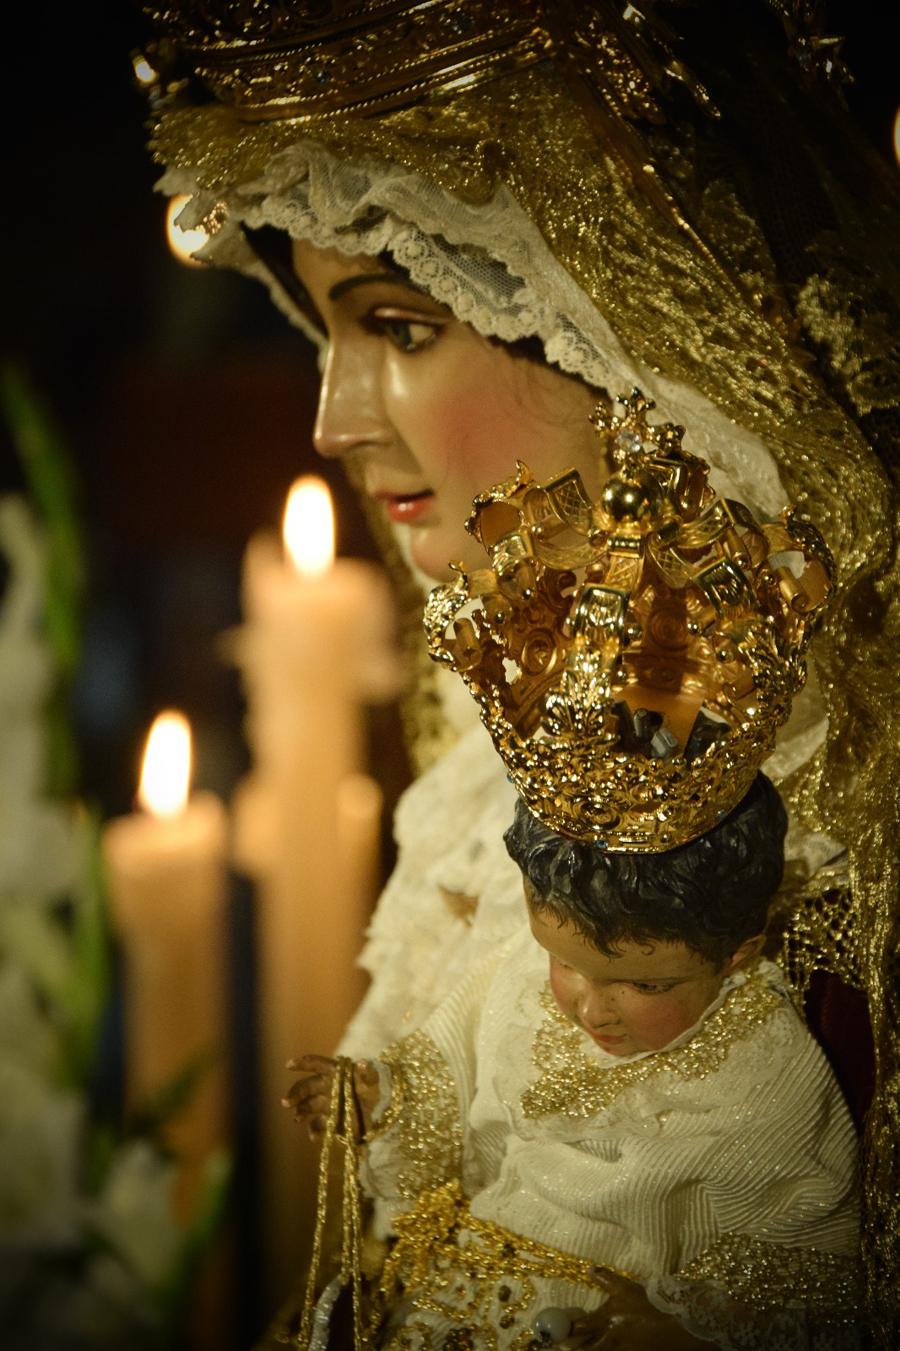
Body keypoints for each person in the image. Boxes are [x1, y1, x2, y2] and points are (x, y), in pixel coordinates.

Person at [139, 0, 900, 1332]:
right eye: (328, 331)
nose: (334, 420)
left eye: (401, 327)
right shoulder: (496, 742)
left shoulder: (838, 848)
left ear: (627, 340)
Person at [285, 780, 859, 1349]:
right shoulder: (519, 973)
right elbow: (449, 1073)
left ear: (735, 955)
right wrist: (384, 1099)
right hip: (459, 1295)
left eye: (644, 985)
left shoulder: (763, 1065)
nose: (591, 1010)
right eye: (565, 965)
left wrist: (688, 1328)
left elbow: (804, 1260)